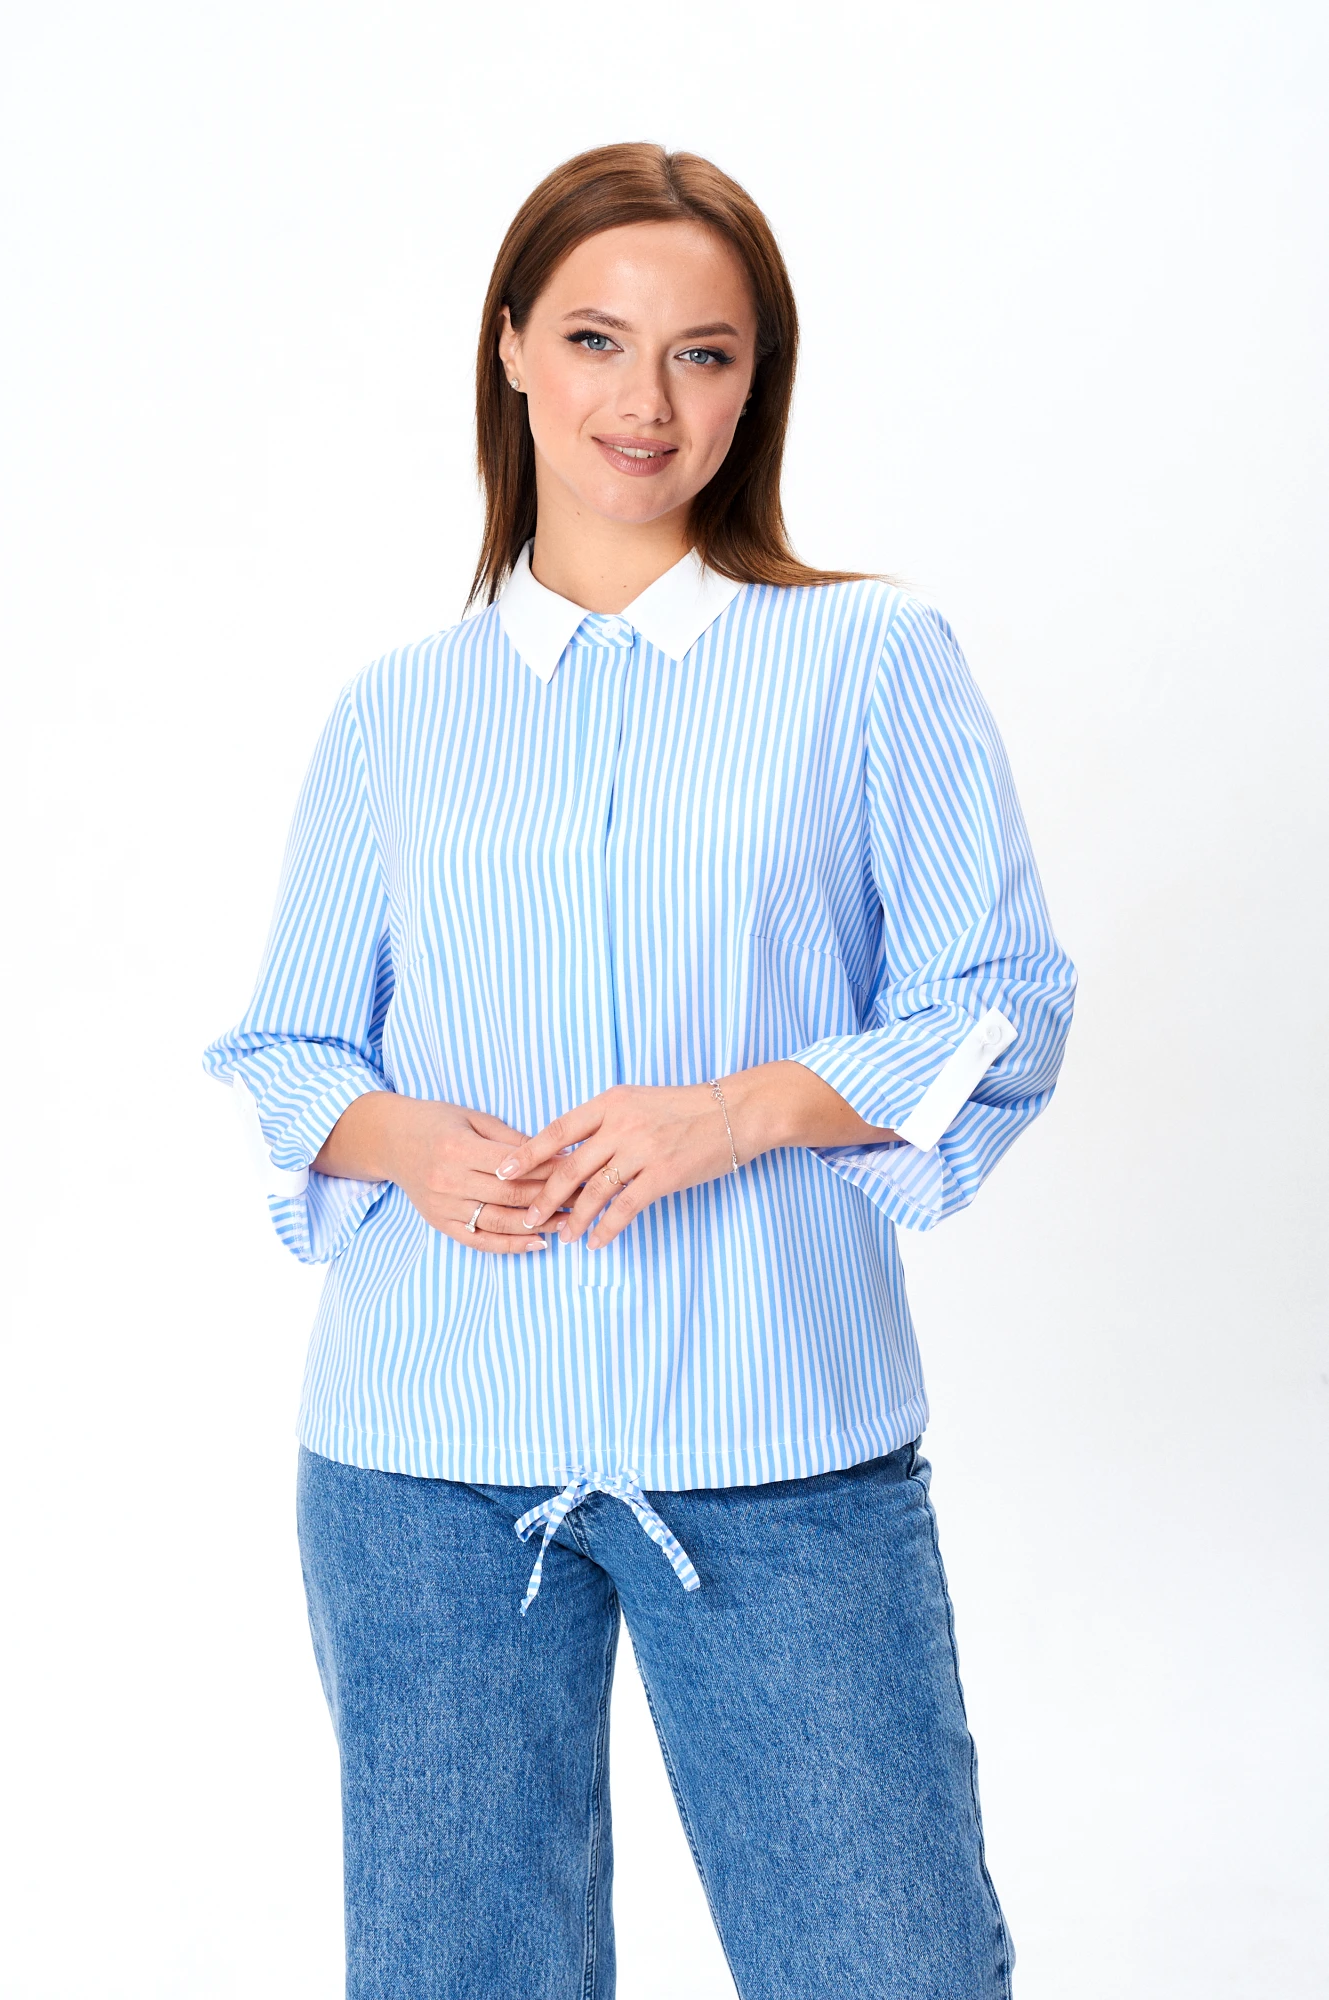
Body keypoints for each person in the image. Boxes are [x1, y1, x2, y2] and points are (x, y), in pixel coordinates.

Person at [204, 142, 1075, 2000]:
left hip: (775, 1440)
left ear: (757, 385)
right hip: (424, 1458)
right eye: (598, 338)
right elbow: (288, 1043)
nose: (645, 400)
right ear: (513, 347)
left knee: (889, 1967)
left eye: (705, 353)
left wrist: (744, 1109)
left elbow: (1002, 998)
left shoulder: (868, 660)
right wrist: (404, 1139)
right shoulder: (397, 711)